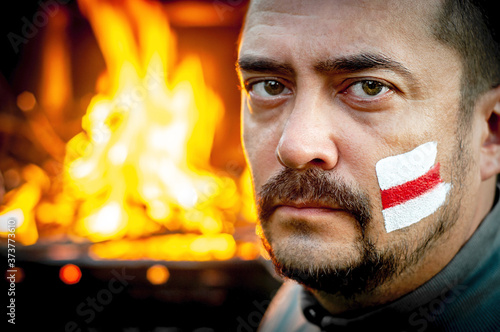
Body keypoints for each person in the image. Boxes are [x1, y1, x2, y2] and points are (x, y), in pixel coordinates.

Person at [236, 0, 500, 331]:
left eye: (369, 87)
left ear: (491, 132)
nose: (294, 148)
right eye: (268, 86)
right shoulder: (298, 303)